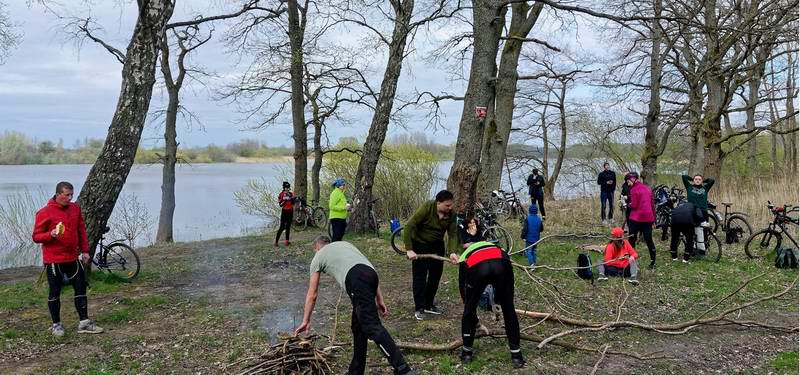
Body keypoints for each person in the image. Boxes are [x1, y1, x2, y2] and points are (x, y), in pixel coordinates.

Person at [294, 236, 414, 375]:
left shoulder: (319, 256)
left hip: (356, 280)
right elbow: (366, 265)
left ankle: (403, 369)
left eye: (315, 251)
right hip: (371, 276)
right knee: (358, 328)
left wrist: (306, 320)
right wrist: (379, 298)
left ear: (317, 248)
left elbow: (312, 294)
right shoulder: (345, 244)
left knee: (371, 326)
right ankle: (356, 371)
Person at [31, 181, 104, 337]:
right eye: (67, 195)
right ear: (58, 194)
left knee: (80, 287)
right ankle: (56, 325)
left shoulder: (75, 209)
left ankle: (84, 323)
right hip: (54, 260)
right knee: (55, 291)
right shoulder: (44, 212)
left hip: (72, 258)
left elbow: (81, 230)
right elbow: (36, 237)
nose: (70, 198)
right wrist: (50, 235)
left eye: (72, 194)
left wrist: (85, 251)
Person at [448, 241, 525, 368]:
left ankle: (467, 353)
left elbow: (464, 295)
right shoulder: (496, 247)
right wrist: (500, 300)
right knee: (509, 309)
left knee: (469, 309)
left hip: (477, 265)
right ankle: (517, 356)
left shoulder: (464, 257)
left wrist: (471, 311)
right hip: (501, 260)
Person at [403, 190, 460, 320]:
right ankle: (419, 308)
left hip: (437, 246)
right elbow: (409, 226)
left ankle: (429, 304)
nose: (450, 208)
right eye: (447, 205)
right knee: (420, 277)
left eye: (451, 205)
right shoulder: (427, 208)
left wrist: (452, 252)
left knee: (435, 276)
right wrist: (409, 249)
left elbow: (452, 234)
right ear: (438, 203)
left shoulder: (452, 215)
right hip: (420, 245)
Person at [626, 172, 657, 269]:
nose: (628, 184)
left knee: (632, 239)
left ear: (632, 179)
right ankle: (653, 262)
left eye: (628, 181)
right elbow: (652, 204)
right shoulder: (647, 188)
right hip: (648, 218)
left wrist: (627, 205)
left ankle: (632, 262)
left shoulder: (634, 189)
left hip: (636, 218)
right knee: (649, 240)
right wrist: (654, 219)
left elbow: (634, 205)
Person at [682, 174, 715, 256]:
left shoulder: (705, 188)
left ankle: (703, 248)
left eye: (699, 179)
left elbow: (712, 180)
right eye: (696, 179)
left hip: (703, 212)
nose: (697, 180)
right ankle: (693, 248)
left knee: (704, 230)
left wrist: (703, 180)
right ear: (693, 180)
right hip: (692, 211)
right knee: (692, 231)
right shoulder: (689, 187)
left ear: (702, 181)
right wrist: (692, 178)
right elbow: (684, 177)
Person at [275, 181, 294, 247]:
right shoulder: (281, 194)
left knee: (288, 226)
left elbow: (293, 203)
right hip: (284, 211)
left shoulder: (291, 194)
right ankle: (276, 242)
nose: (287, 189)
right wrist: (285, 200)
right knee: (282, 227)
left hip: (290, 211)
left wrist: (292, 199)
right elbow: (280, 204)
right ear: (284, 188)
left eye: (288, 187)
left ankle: (287, 241)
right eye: (286, 187)